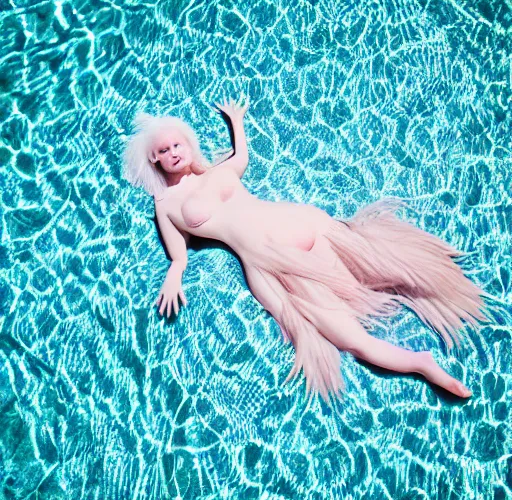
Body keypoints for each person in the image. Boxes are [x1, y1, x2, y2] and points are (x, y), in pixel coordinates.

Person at [123, 99, 488, 402]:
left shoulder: (215, 172)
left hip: (300, 225)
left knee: (391, 269)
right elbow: (179, 253)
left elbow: (241, 159)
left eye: (177, 145)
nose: (172, 153)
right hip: (269, 265)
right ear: (153, 160)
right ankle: (422, 364)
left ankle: (445, 292)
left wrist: (237, 122)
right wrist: (175, 274)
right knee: (349, 339)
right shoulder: (167, 204)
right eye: (163, 150)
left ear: (188, 145)